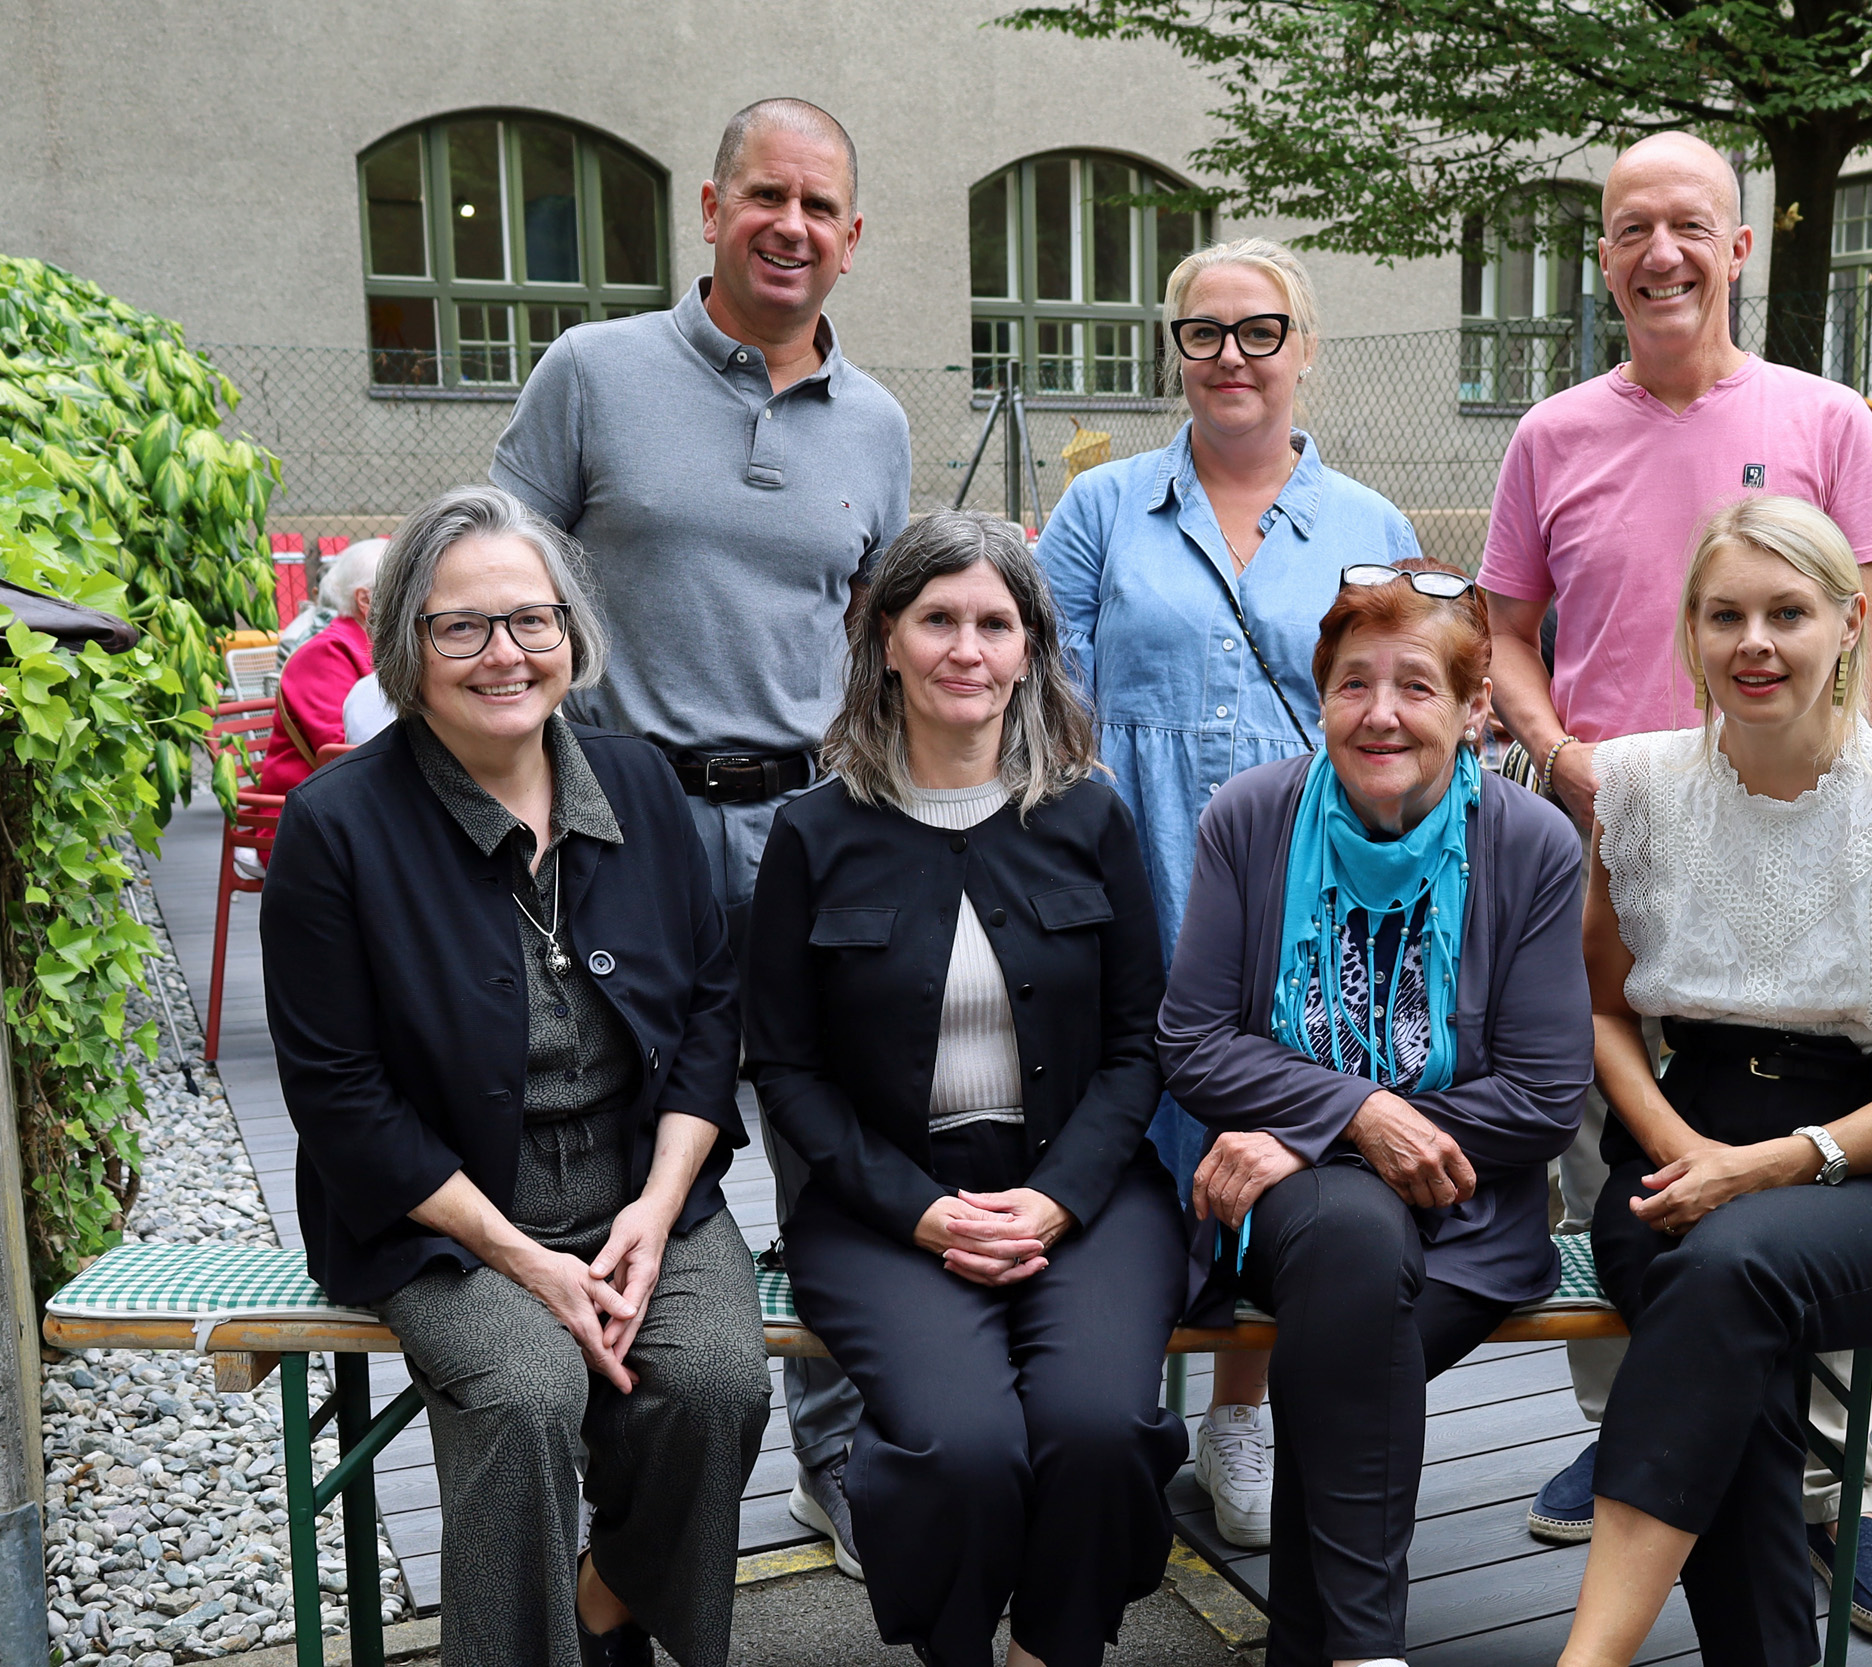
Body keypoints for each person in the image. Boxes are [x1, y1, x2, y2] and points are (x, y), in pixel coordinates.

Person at [1478, 132, 1872, 1632]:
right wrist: (1564, 754)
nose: (1657, 253)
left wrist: (1828, 800)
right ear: (1602, 255)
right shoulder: (1549, 432)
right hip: (1612, 830)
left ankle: (1823, 1485)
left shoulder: (1825, 414)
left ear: (1740, 246)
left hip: (1793, 831)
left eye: (1688, 226)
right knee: (1623, 1149)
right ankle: (1645, 1415)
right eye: (1626, 231)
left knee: (1808, 1126)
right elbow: (1507, 635)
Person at [490, 95, 909, 1566]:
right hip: (619, 822)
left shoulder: (878, 422)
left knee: (830, 1133)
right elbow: (497, 562)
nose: (790, 226)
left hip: (805, 823)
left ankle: (841, 1462)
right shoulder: (592, 372)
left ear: (852, 240)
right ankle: (637, 1487)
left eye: (820, 206)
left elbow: (875, 637)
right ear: (713, 209)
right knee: (615, 1137)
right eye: (765, 196)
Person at [260, 486, 769, 1667]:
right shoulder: (336, 827)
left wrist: (653, 1207)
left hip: (641, 1182)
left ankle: (599, 1607)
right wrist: (523, 1254)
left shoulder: (639, 783)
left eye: (533, 621)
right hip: (441, 1210)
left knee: (715, 1384)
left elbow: (708, 1008)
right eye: (463, 627)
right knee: (527, 1394)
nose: (506, 654)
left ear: (572, 635)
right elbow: (339, 1093)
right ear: (407, 646)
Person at [1553, 496, 1872, 1667]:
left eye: (1787, 612)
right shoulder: (1633, 789)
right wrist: (1674, 1144)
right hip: (1673, 1149)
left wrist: (1774, 1163)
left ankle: (1587, 1655)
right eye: (1725, 614)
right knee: (1725, 1328)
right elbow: (1596, 1004)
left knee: (1731, 1268)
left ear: (1849, 624)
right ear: (1688, 632)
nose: (1754, 640)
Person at [743, 512, 1183, 1667]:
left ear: (1031, 647)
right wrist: (919, 1210)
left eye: (995, 623)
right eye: (937, 617)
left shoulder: (1088, 819)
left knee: (1094, 1428)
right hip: (883, 1207)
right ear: (884, 635)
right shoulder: (813, 833)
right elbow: (783, 1066)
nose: (966, 648)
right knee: (962, 1442)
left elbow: (1143, 1040)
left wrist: (1054, 1199)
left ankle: (1055, 1642)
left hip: (1079, 1195)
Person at [1040, 236, 1424, 1548]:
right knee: (1140, 1139)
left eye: (1259, 331)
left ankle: (1239, 1404)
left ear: (1304, 349)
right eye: (1202, 333)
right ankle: (1116, 1395)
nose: (1231, 357)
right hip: (1135, 874)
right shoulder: (1101, 511)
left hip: (1313, 896)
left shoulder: (1373, 529)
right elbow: (1058, 708)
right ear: (1175, 353)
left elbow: (1402, 727)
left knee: (1277, 1133)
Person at [1159, 559, 1591, 1667]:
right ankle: (1364, 1651)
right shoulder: (1251, 816)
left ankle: (1327, 1649)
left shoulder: (1530, 843)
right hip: (1289, 1203)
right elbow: (1192, 1039)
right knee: (1349, 1241)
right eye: (1354, 684)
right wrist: (1354, 1114)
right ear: (1320, 696)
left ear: (1473, 707)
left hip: (1466, 1217)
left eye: (1415, 686)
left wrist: (1321, 1119)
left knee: (1343, 1338)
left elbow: (1545, 1092)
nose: (1382, 713)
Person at [257, 538, 383, 793]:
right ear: (365, 600)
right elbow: (339, 754)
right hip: (311, 817)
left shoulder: (367, 645)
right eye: (402, 591)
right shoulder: (324, 654)